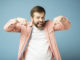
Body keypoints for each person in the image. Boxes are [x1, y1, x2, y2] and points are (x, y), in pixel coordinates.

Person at [3, 6, 71, 60]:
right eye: (38, 17)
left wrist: (62, 19)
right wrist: (16, 20)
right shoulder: (24, 26)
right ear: (31, 18)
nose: (41, 20)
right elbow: (6, 28)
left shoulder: (49, 25)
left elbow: (66, 27)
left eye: (42, 17)